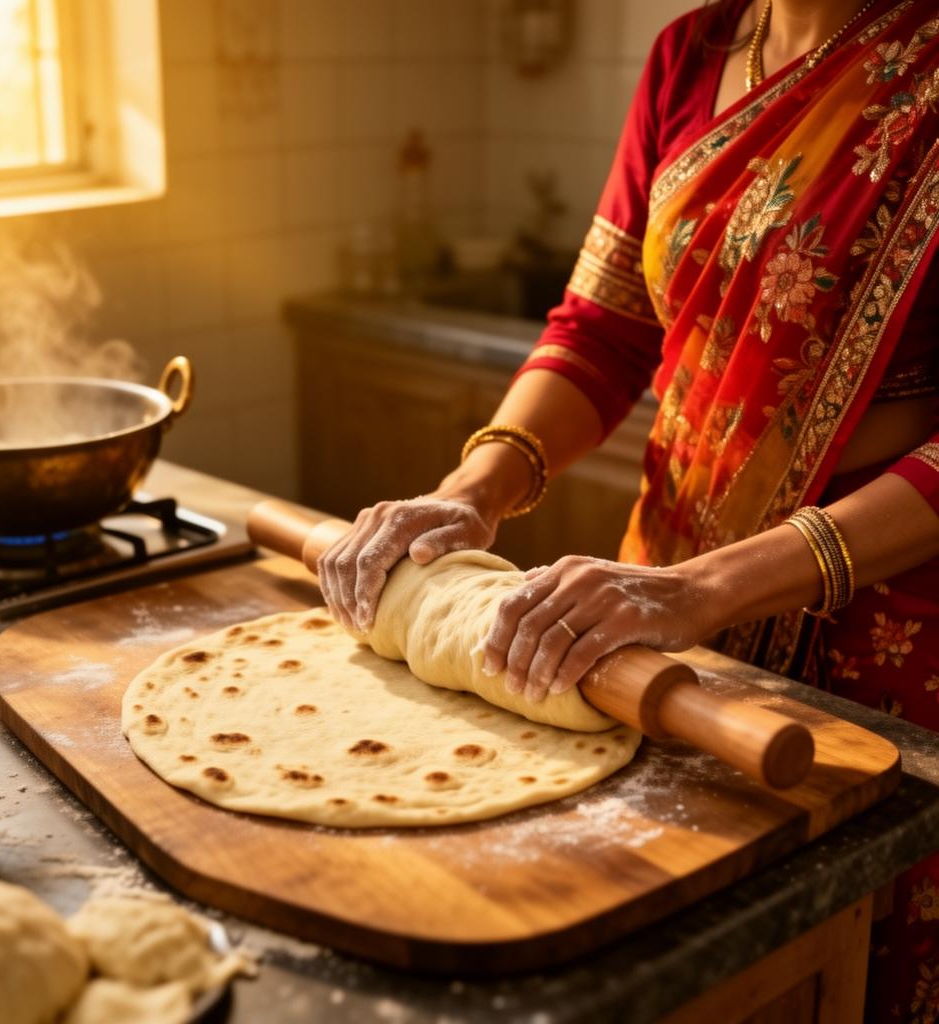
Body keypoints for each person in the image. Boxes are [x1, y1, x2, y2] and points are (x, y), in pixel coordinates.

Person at [319, 0, 939, 1016]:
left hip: (870, 640)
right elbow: (603, 329)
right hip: (652, 610)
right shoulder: (689, 54)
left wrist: (705, 589)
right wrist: (473, 489)